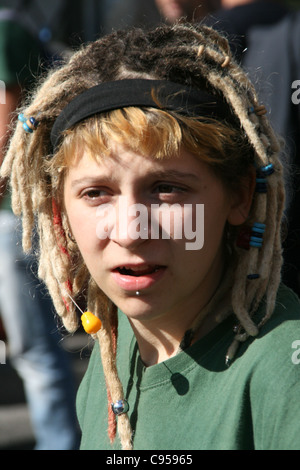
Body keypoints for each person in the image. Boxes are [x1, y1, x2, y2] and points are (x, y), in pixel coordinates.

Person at [1, 22, 300, 450]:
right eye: (96, 193)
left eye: (167, 188)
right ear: (59, 210)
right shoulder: (116, 349)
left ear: (240, 195)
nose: (130, 231)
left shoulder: (283, 375)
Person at [0, 7, 80, 450]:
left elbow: (6, 117)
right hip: (18, 212)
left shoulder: (6, 25)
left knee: (36, 350)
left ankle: (61, 443)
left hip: (15, 214)